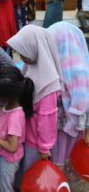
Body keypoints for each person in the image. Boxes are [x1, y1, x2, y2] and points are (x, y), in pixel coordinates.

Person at [7, 24, 63, 186]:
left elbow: (47, 120)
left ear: (35, 49)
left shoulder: (49, 85)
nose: (21, 57)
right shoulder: (30, 67)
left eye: (23, 52)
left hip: (35, 142)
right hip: (24, 134)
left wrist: (45, 148)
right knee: (22, 168)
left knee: (32, 173)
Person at [0, 66, 34, 192]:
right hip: (7, 154)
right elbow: (5, 125)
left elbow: (12, 147)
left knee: (5, 186)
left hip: (10, 158)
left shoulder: (15, 117)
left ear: (6, 96)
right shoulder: (9, 105)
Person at [47, 22, 89, 173]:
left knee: (59, 148)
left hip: (57, 126)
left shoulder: (53, 68)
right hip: (75, 126)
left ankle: (56, 175)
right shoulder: (84, 70)